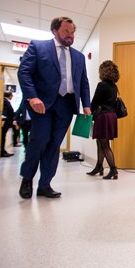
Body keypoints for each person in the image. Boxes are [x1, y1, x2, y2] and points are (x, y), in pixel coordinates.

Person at [17, 17, 91, 199]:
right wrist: (32, 97)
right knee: (39, 141)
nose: (70, 35)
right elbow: (24, 72)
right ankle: (27, 179)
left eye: (73, 32)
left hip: (66, 105)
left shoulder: (79, 57)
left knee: (54, 145)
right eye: (66, 31)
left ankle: (45, 184)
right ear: (55, 31)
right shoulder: (38, 46)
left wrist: (87, 105)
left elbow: (83, 82)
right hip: (43, 104)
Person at [88, 60, 120, 180]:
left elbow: (95, 102)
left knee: (104, 144)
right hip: (111, 116)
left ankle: (113, 169)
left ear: (103, 72)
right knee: (100, 142)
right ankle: (99, 166)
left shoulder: (102, 85)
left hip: (103, 117)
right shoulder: (114, 86)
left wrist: (88, 111)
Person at [0, 91, 16, 157]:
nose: (12, 97)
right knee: (2, 137)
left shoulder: (6, 101)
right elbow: (5, 112)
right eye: (12, 95)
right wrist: (3, 121)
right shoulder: (5, 102)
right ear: (9, 95)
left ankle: (3, 151)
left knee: (3, 136)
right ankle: (2, 152)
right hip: (5, 123)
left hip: (7, 122)